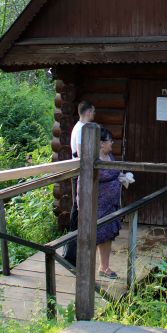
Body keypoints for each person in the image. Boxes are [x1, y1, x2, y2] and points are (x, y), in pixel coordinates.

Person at [65, 101, 95, 266]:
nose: (94, 114)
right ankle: (71, 253)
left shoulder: (79, 127)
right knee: (77, 210)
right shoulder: (82, 128)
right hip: (80, 173)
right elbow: (80, 152)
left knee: (77, 210)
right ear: (88, 112)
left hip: (80, 172)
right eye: (93, 111)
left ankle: (74, 251)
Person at [93, 126, 122, 278]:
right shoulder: (93, 159)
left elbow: (115, 173)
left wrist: (122, 178)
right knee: (99, 235)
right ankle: (96, 268)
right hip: (99, 204)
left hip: (112, 204)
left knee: (109, 235)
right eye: (110, 141)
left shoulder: (110, 157)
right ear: (101, 143)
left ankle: (104, 267)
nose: (112, 144)